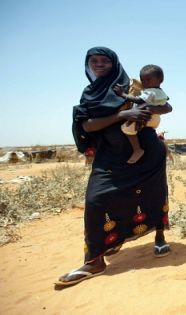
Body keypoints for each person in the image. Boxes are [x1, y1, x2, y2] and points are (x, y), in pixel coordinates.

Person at [57, 47, 172, 287]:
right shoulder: (89, 93)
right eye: (94, 61)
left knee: (154, 194)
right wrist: (122, 115)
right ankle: (95, 261)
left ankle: (159, 237)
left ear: (115, 64)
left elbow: (165, 107)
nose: (99, 64)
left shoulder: (132, 85)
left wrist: (145, 110)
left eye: (105, 61)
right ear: (88, 65)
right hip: (109, 156)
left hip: (146, 154)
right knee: (96, 200)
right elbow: (87, 126)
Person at [113, 65, 169, 164]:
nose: (145, 83)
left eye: (148, 79)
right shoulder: (161, 92)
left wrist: (123, 95)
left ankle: (137, 149)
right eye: (143, 80)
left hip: (146, 116)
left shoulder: (150, 92)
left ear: (161, 80)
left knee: (126, 129)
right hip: (154, 118)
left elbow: (139, 100)